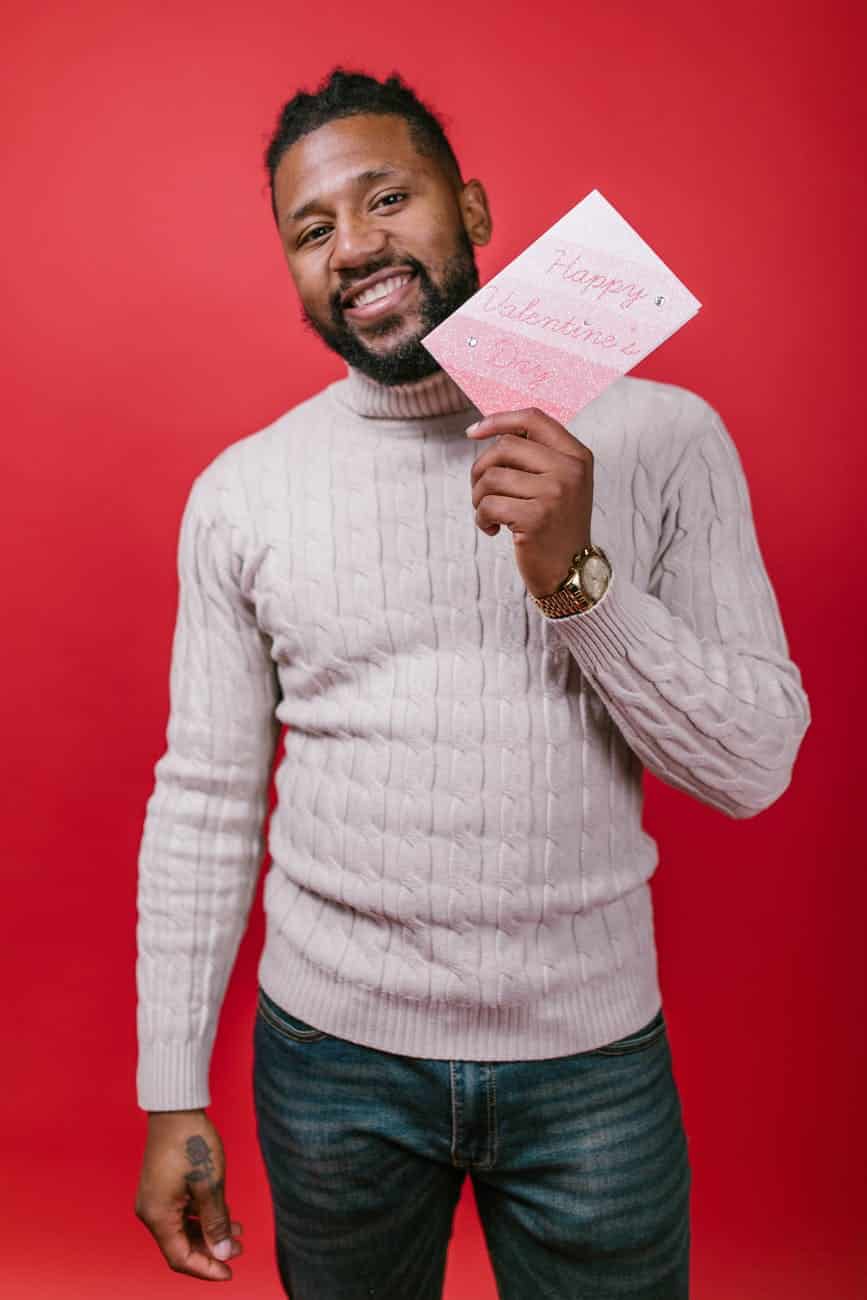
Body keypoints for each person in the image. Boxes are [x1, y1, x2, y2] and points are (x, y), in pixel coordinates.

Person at [133, 67, 811, 1299]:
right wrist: (171, 1084)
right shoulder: (243, 490)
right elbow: (206, 796)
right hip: (331, 1066)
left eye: (388, 197)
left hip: (590, 1065)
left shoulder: (663, 436)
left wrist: (579, 581)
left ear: (477, 209)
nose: (356, 245)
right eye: (313, 227)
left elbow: (756, 766)